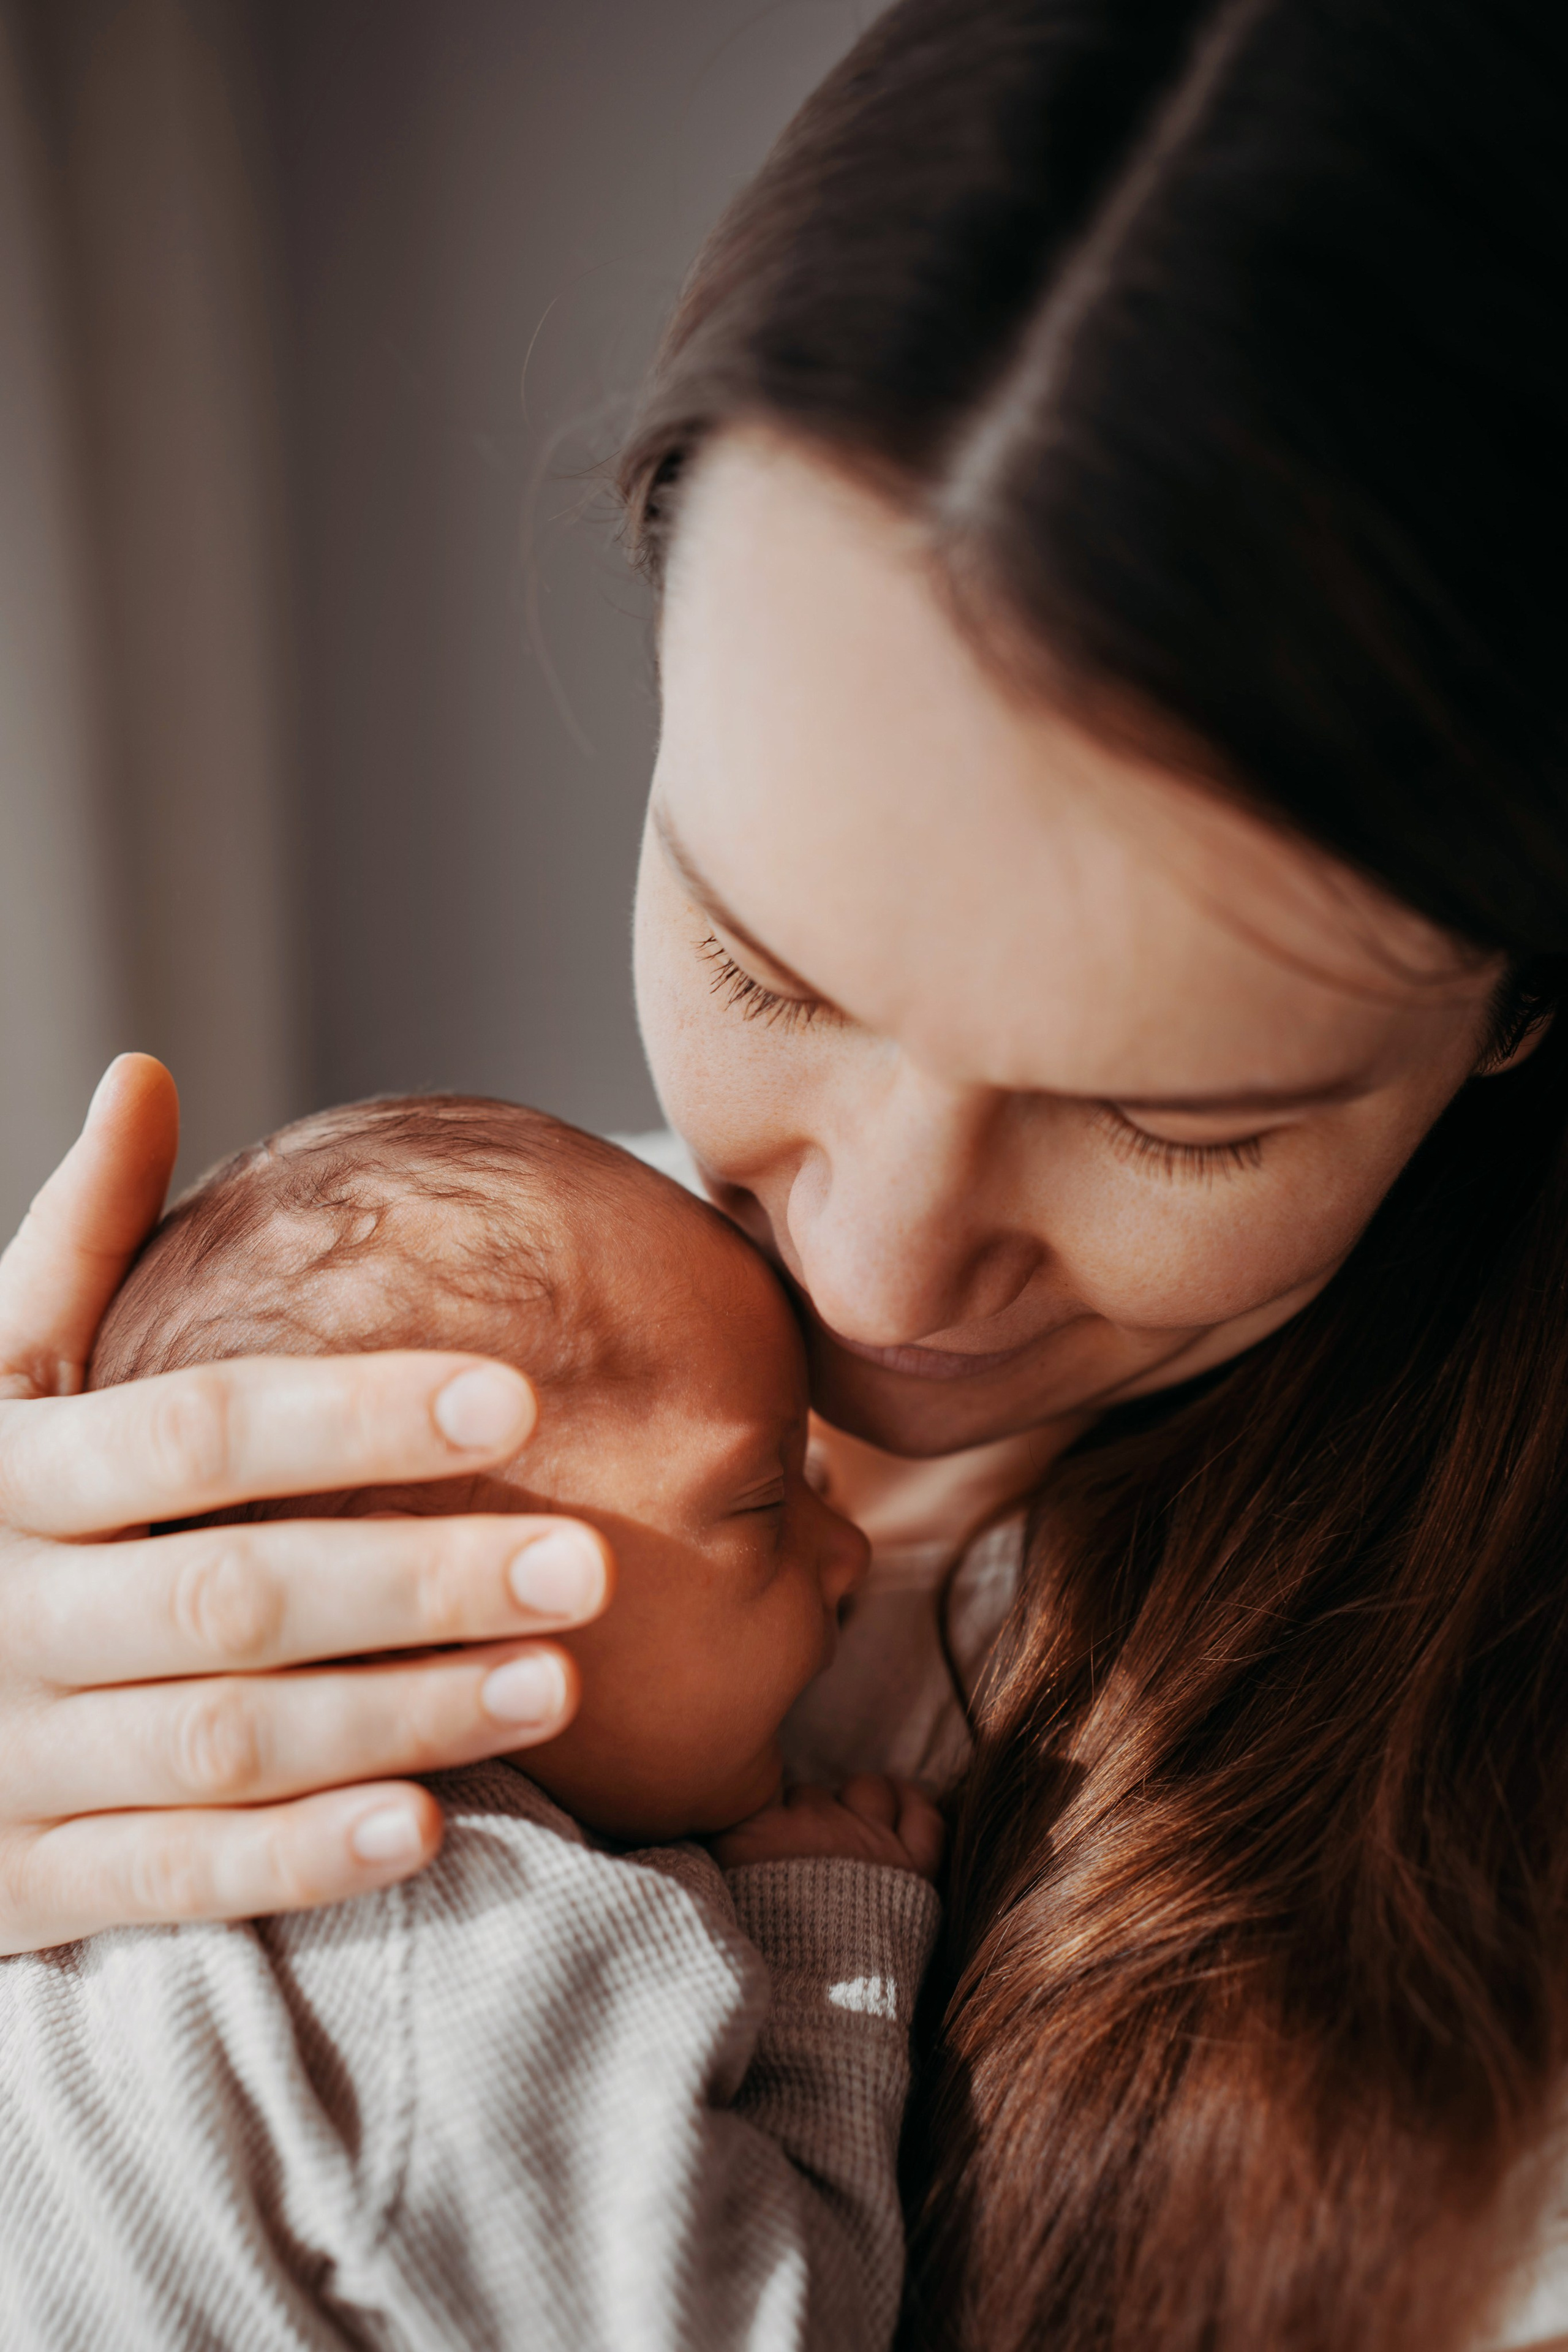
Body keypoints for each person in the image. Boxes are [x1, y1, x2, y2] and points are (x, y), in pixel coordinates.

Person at [0, 1, 1562, 2346]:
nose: (875, 1268)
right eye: (766, 964)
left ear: (1521, 1007)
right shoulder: (382, 1413)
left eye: (1179, 1120)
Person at [0, 1095, 943, 2350]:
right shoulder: (456, 1932)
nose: (850, 1552)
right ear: (414, 1604)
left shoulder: (98, 1858)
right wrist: (823, 1948)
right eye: (768, 1500)